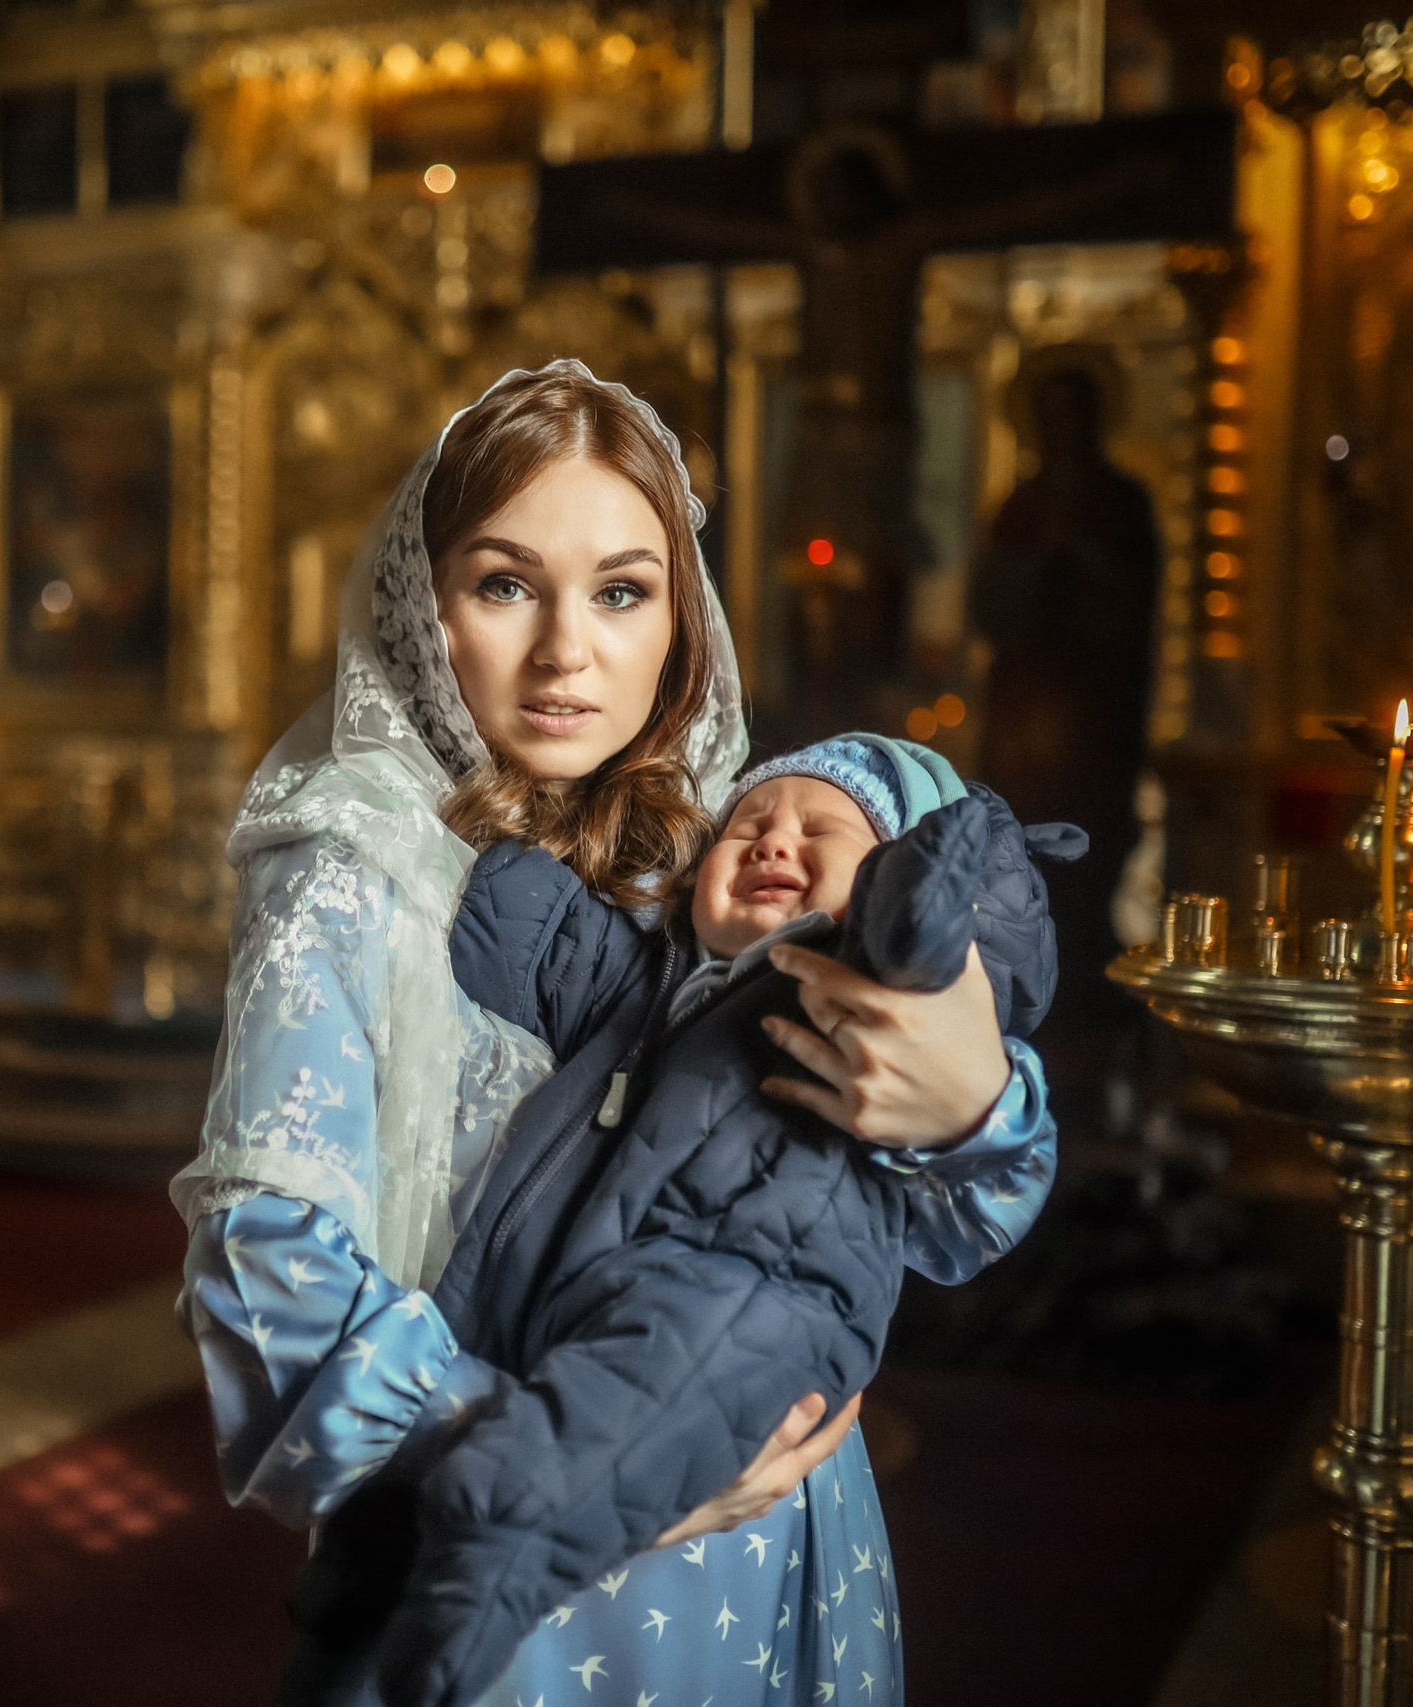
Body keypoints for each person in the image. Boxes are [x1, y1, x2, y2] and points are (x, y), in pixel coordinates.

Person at [173, 361, 1031, 1706]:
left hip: (779, 1528)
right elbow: (265, 1271)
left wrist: (975, 1101)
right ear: (422, 598)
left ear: (681, 621)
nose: (568, 651)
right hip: (529, 1560)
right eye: (506, 584)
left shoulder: (724, 854)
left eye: (622, 591)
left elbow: (931, 1217)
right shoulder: (353, 863)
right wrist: (581, 1462)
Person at [369, 737, 1072, 1707]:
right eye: (748, 824)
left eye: (821, 830)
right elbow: (526, 940)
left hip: (735, 1407)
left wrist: (969, 1107)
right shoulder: (650, 987)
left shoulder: (875, 1010)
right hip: (557, 1359)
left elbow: (979, 1200)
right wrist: (514, 848)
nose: (775, 840)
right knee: (486, 1569)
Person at [970, 364, 1158, 1101]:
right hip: (1026, 725)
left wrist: (1083, 561)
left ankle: (1087, 1032)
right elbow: (993, 609)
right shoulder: (1020, 507)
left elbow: (1130, 606)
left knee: (1087, 871)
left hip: (1093, 722)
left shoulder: (1120, 503)